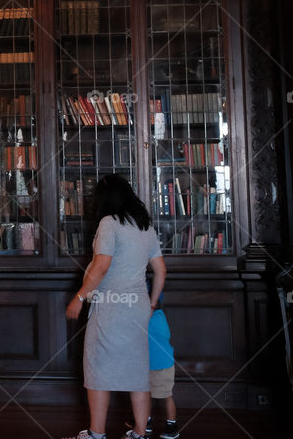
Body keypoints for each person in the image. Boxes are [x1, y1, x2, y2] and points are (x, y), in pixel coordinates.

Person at [65, 174, 166, 439]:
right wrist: (152, 303)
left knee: (98, 367)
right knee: (137, 370)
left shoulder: (109, 224)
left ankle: (96, 434)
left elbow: (101, 266)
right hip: (138, 305)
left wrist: (79, 297)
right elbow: (161, 271)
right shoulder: (146, 227)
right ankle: (140, 434)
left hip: (110, 306)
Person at [145, 286, 178, 439]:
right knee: (159, 395)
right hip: (159, 363)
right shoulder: (160, 316)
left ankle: (171, 425)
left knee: (157, 395)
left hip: (158, 364)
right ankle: (150, 421)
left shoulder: (149, 319)